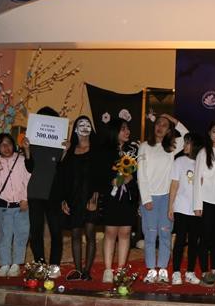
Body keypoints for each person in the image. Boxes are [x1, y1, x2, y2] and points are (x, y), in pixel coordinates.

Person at [138, 113, 188, 284]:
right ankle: (151, 270)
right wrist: (146, 198)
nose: (160, 127)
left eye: (165, 125)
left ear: (169, 130)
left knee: (165, 235)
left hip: (167, 198)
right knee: (150, 235)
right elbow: (141, 174)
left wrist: (172, 119)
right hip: (149, 197)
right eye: (158, 123)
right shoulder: (144, 146)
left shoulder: (172, 146)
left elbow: (187, 135)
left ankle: (163, 270)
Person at [52, 116, 99, 281]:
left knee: (90, 233)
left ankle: (87, 271)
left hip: (91, 198)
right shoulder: (70, 150)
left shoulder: (97, 149)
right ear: (76, 129)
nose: (85, 127)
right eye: (81, 124)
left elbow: (101, 175)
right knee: (76, 234)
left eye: (87, 124)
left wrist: (96, 196)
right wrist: (63, 199)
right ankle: (78, 270)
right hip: (73, 197)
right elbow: (61, 175)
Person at [95, 117, 139, 283]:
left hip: (128, 198)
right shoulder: (104, 150)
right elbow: (99, 173)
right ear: (115, 131)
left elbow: (138, 172)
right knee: (110, 232)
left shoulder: (132, 150)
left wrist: (131, 178)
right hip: (111, 197)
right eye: (123, 129)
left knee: (125, 232)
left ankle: (121, 270)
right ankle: (108, 269)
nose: (127, 132)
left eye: (127, 128)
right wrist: (112, 181)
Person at [25, 106, 66, 279]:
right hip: (35, 191)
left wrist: (65, 151)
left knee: (56, 230)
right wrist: (27, 149)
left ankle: (54, 265)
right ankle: (40, 264)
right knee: (36, 230)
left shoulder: (59, 142)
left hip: (54, 192)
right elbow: (29, 167)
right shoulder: (33, 141)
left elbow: (62, 168)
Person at [0, 133, 31, 277]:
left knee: (21, 235)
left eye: (9, 143)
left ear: (14, 145)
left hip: (21, 205)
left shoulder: (21, 160)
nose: (6, 147)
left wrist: (25, 198)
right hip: (3, 207)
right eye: (2, 145)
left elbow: (27, 180)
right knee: (4, 237)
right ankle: (5, 263)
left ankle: (16, 264)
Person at [194, 120, 215, 286]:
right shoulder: (203, 153)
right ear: (209, 133)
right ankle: (205, 273)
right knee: (205, 238)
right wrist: (197, 205)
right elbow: (196, 181)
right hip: (206, 202)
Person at [169, 133, 204, 285]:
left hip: (197, 208)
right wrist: (170, 206)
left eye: (187, 143)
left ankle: (190, 272)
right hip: (181, 207)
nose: (184, 146)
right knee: (180, 240)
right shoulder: (179, 161)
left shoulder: (202, 162)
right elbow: (174, 185)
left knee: (194, 241)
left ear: (195, 145)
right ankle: (176, 272)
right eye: (184, 143)